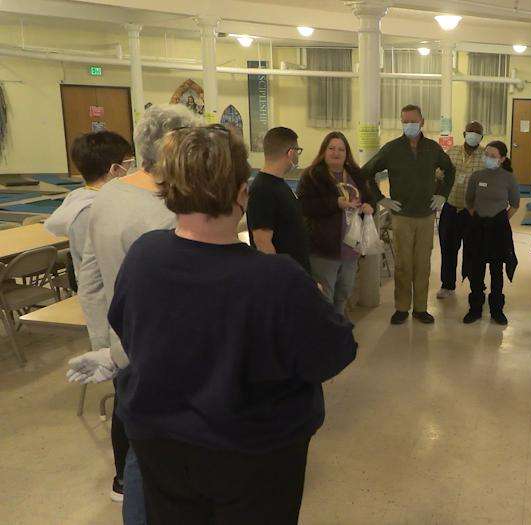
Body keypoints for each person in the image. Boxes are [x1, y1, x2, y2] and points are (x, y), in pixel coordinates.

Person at [105, 125, 356, 524]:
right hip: (254, 453)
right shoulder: (278, 279)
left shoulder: (144, 256)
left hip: (162, 446)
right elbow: (333, 352)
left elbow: (127, 328)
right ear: (242, 193)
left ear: (167, 188)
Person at [66, 104, 201, 524]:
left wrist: (106, 347)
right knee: (169, 459)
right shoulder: (169, 210)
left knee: (138, 450)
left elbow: (89, 276)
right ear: (176, 148)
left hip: (124, 346)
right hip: (167, 354)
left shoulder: (108, 195)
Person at [360, 104, 455, 325]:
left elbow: (450, 170)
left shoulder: (432, 148)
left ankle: (421, 308)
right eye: (405, 121)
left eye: (413, 121)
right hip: (401, 216)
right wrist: (380, 198)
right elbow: (365, 172)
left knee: (422, 264)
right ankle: (402, 307)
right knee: (403, 264)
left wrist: (442, 194)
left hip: (426, 215)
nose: (409, 125)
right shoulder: (392, 149)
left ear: (423, 122)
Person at [296, 131, 375, 318]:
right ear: (323, 151)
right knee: (324, 296)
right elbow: (304, 206)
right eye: (331, 148)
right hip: (324, 248)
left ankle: (338, 326)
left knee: (344, 293)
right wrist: (335, 203)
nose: (336, 153)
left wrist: (369, 206)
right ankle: (325, 330)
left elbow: (370, 198)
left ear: (347, 153)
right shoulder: (312, 176)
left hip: (351, 248)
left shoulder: (356, 174)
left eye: (341, 149)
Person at [45, 131, 133, 274]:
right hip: (103, 284)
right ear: (115, 169)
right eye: (128, 164)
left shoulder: (82, 198)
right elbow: (99, 265)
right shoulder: (90, 211)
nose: (130, 170)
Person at [462, 140, 520, 325]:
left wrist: (501, 220)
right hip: (478, 227)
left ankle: (497, 309)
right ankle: (475, 308)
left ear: (502, 159)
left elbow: (515, 204)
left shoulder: (508, 178)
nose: (488, 158)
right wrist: (479, 218)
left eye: (493, 156)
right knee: (476, 268)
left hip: (498, 229)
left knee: (497, 269)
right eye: (486, 155)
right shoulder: (477, 176)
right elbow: (469, 201)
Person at [247, 126, 311, 274]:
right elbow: (262, 242)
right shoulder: (262, 189)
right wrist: (281, 278)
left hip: (295, 273)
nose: (298, 156)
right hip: (285, 278)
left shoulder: (278, 184)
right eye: (298, 151)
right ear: (291, 153)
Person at [438, 121, 486, 299]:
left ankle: (476, 287)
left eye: (477, 133)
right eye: (470, 132)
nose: (473, 135)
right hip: (451, 208)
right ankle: (447, 285)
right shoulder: (452, 152)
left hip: (473, 212)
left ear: (481, 137)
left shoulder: (485, 155)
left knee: (474, 251)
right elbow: (439, 175)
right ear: (464, 134)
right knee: (448, 249)